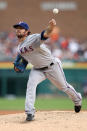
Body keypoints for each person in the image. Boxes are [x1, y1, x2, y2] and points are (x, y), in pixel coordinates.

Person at [13, 19, 82, 121]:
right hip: (37, 69)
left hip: (52, 66)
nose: (18, 30)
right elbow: (26, 60)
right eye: (17, 28)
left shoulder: (32, 38)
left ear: (27, 31)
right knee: (31, 85)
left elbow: (44, 34)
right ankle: (29, 112)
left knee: (64, 87)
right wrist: (21, 65)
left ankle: (77, 99)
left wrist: (51, 27)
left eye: (21, 28)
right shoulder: (19, 48)